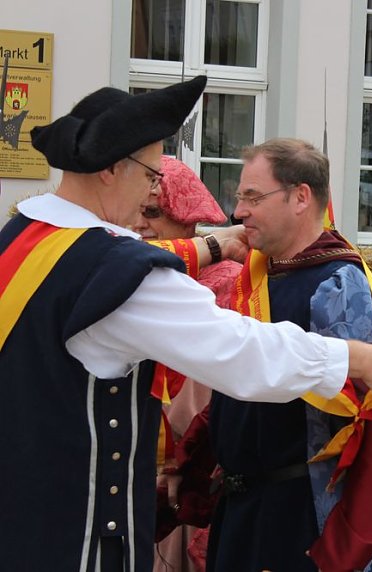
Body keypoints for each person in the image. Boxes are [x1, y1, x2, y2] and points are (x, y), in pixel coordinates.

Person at [0, 77, 372, 572]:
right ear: (113, 169)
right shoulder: (114, 270)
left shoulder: (24, 239)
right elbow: (240, 353)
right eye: (153, 176)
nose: (155, 191)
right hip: (76, 536)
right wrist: (357, 356)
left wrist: (214, 244)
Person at [200, 138, 372, 571]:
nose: (239, 212)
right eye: (239, 198)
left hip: (300, 519)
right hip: (241, 511)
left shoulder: (337, 283)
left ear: (301, 198)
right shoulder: (257, 277)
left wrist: (345, 544)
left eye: (253, 197)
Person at [130, 156, 241, 572]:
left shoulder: (227, 281)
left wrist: (176, 454)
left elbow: (212, 386)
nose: (141, 224)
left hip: (190, 462)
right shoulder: (132, 277)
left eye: (154, 213)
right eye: (137, 211)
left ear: (187, 217)